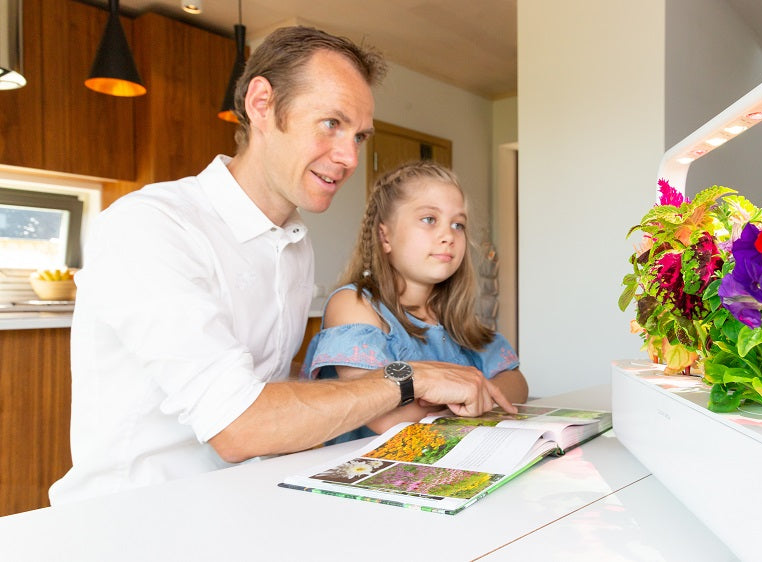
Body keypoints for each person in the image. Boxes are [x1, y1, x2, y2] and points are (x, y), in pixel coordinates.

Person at [49, 27, 513, 505]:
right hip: (134, 519)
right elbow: (238, 426)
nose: (350, 157)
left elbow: (269, 398)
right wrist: (409, 377)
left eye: (358, 136)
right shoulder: (151, 225)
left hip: (245, 502)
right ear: (262, 103)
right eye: (331, 123)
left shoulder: (294, 246)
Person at [301, 161, 529, 443]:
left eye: (458, 225)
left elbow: (517, 383)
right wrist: (473, 396)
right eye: (429, 219)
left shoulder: (453, 318)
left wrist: (462, 395)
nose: (448, 236)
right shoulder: (355, 304)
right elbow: (386, 417)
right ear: (385, 236)